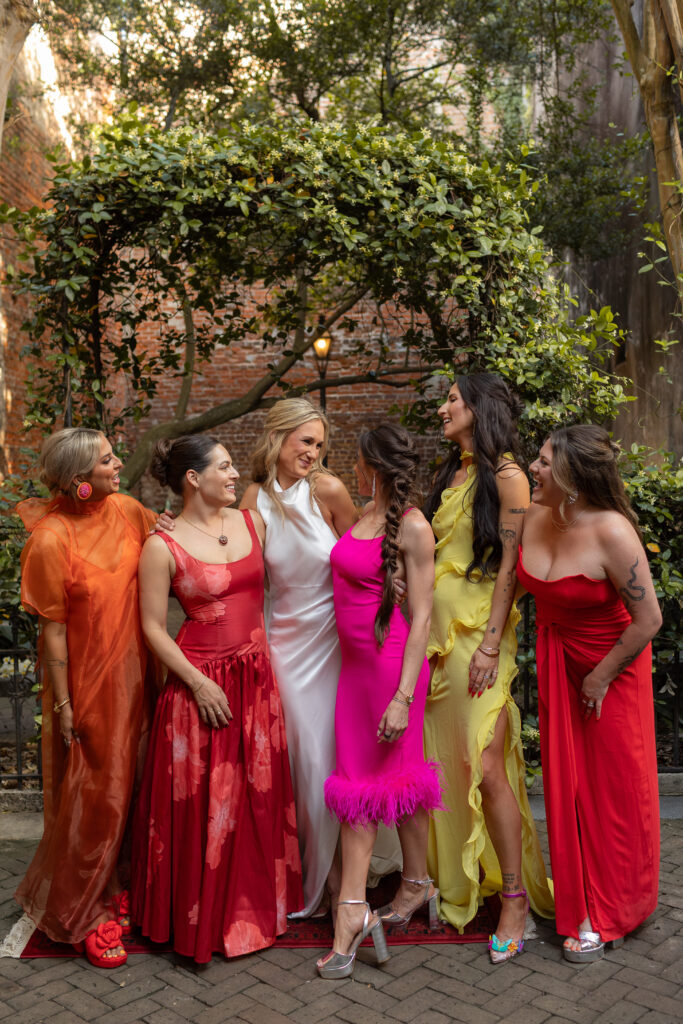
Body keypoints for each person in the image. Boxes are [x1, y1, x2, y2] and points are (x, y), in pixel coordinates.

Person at [130, 435, 303, 962]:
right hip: (199, 686)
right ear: (193, 478)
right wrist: (197, 683)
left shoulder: (253, 521)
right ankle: (200, 920)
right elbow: (152, 628)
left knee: (253, 800)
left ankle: (251, 911)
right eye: (224, 467)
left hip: (256, 681)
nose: (234, 475)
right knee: (204, 806)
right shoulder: (161, 545)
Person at [240, 399, 402, 918]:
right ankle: (314, 871)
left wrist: (394, 589)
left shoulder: (327, 490)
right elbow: (240, 564)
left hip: (336, 638)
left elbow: (366, 551)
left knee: (331, 755)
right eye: (306, 441)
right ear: (278, 436)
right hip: (284, 641)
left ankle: (339, 882)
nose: (314, 452)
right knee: (302, 759)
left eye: (320, 444)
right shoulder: (253, 498)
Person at [14, 427, 160, 968]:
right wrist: (65, 704)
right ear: (79, 479)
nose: (118, 464)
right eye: (107, 460)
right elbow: (52, 632)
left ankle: (116, 885)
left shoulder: (128, 511)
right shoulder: (50, 539)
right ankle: (83, 911)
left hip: (139, 675)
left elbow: (168, 546)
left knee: (135, 784)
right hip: (90, 686)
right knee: (96, 797)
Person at [423, 373, 553, 963]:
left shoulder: (507, 476)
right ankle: (459, 877)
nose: (443, 408)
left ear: (478, 407)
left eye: (453, 399)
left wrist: (491, 644)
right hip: (436, 644)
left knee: (488, 764)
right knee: (447, 761)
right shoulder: (450, 473)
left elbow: (509, 567)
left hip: (479, 640)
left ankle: (516, 898)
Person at [518, 425, 661, 962]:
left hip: (611, 672)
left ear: (573, 477)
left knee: (613, 793)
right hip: (559, 664)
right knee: (568, 788)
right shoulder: (533, 515)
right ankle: (578, 898)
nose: (533, 468)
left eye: (543, 461)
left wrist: (600, 677)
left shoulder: (612, 531)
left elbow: (649, 619)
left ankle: (614, 908)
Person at [317, 424, 440, 980]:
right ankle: (416, 883)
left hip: (390, 673)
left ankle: (351, 914)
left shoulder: (413, 526)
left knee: (360, 791)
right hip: (353, 674)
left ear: (375, 464)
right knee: (395, 781)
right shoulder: (366, 514)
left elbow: (423, 618)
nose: (352, 465)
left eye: (358, 458)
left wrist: (403, 698)